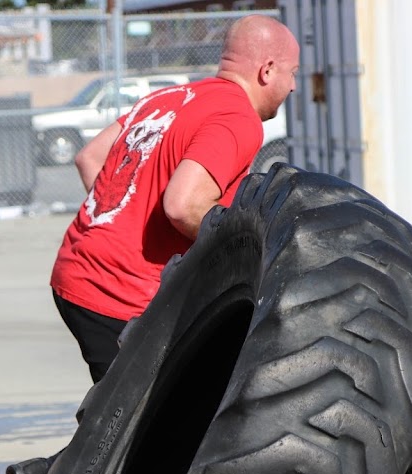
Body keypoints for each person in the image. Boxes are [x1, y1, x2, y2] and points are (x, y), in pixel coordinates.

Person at [51, 14, 300, 383]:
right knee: (144, 434)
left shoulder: (167, 97)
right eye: (292, 73)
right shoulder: (238, 118)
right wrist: (245, 256)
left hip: (74, 272)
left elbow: (89, 158)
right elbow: (183, 206)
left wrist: (125, 220)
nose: (294, 86)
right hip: (118, 296)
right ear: (267, 70)